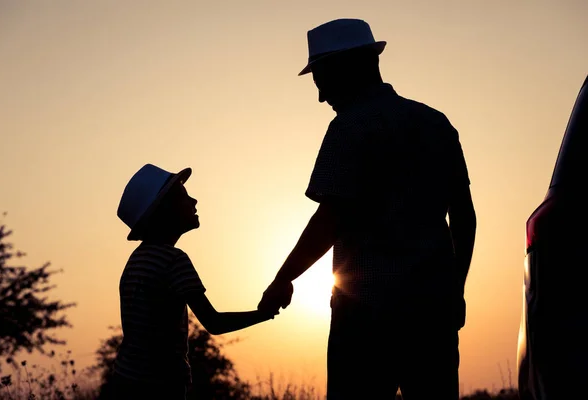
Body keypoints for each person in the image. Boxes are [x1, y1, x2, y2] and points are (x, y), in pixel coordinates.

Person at [258, 18, 477, 399]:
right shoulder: (436, 123)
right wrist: (454, 290)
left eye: (321, 81)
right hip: (433, 313)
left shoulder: (349, 128)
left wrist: (283, 278)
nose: (322, 98)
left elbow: (330, 219)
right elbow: (463, 216)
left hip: (366, 315)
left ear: (345, 68)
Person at [111, 164, 277, 400]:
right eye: (183, 196)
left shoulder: (137, 259)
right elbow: (214, 323)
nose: (194, 201)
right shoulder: (174, 260)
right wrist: (264, 313)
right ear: (163, 211)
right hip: (160, 386)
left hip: (125, 380)